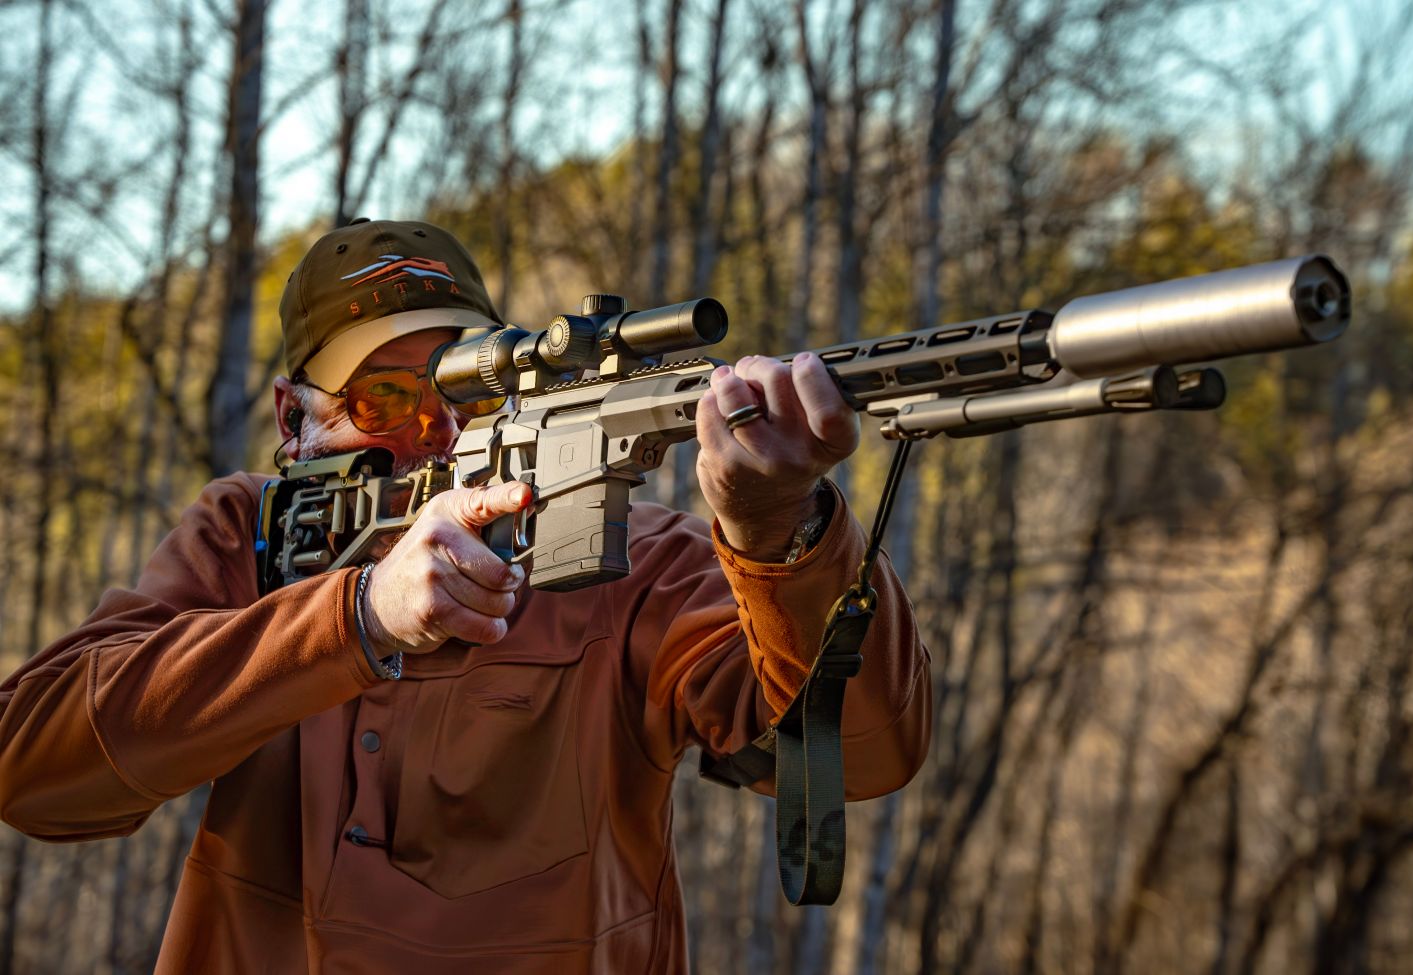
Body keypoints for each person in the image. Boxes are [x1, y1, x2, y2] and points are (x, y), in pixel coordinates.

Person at [0, 219, 930, 972]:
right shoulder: (245, 538)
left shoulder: (632, 559)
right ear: (296, 419)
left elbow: (861, 754)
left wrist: (781, 535)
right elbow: (31, 768)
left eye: (464, 391)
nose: (434, 432)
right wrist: (354, 617)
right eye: (383, 399)